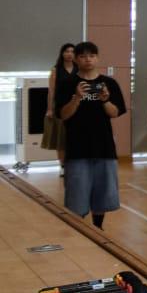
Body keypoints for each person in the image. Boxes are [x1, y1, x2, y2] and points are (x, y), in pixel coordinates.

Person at [58, 41, 126, 229]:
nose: (88, 60)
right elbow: (63, 115)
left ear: (97, 58)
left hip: (104, 146)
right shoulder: (67, 84)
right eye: (83, 56)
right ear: (76, 59)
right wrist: (77, 98)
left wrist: (105, 100)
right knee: (76, 196)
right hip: (77, 148)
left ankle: (98, 227)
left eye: (92, 56)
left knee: (102, 195)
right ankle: (79, 230)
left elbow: (115, 113)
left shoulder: (109, 83)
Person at [44, 42, 76, 167]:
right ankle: (63, 165)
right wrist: (50, 109)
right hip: (60, 107)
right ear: (62, 53)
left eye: (72, 51)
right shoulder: (56, 69)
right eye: (67, 51)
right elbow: (51, 91)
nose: (69, 54)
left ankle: (73, 164)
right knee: (61, 139)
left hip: (76, 106)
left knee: (74, 138)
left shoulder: (79, 68)